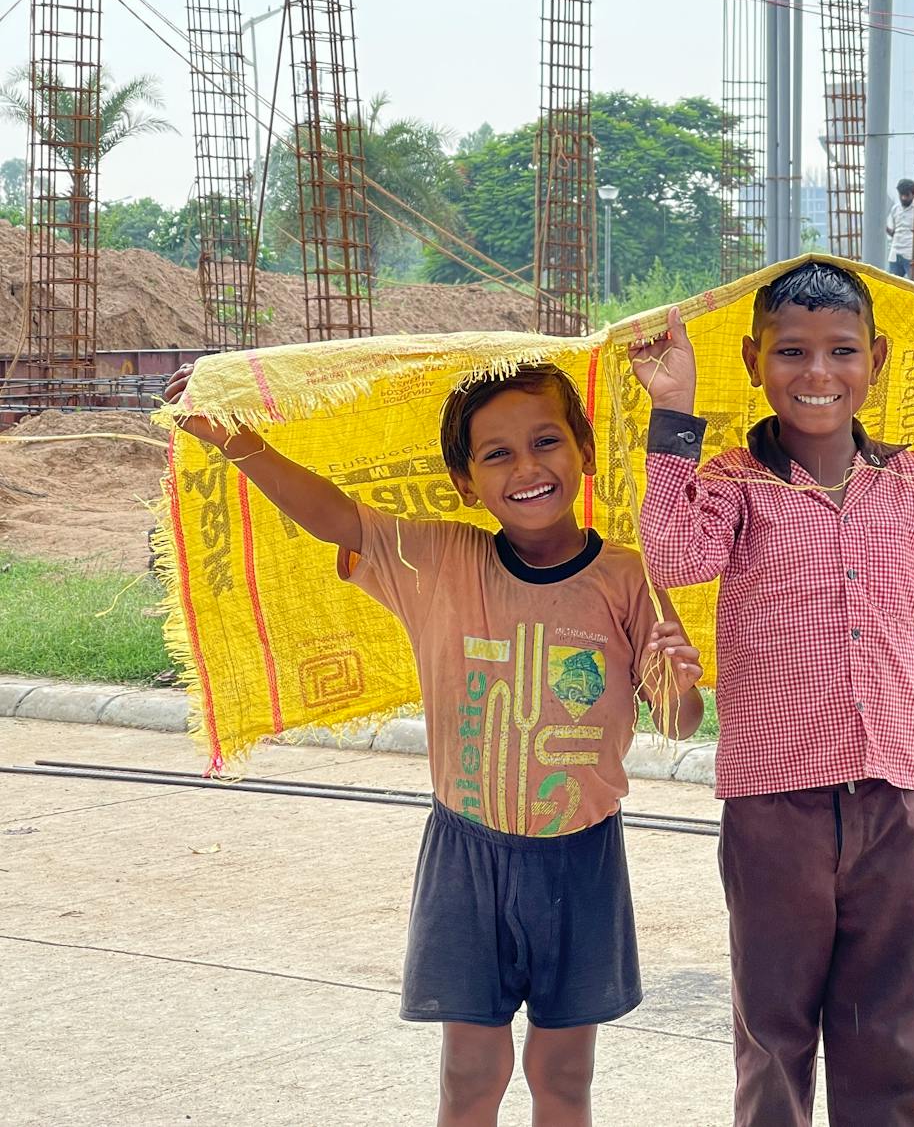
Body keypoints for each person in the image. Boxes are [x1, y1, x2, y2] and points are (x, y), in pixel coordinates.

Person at [162, 360, 705, 1127]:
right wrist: (227, 437)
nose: (526, 467)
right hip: (466, 853)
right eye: (496, 454)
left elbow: (678, 721)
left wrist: (678, 682)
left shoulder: (627, 576)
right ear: (464, 481)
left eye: (546, 441)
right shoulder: (440, 560)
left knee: (565, 1074)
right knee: (471, 1073)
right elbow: (335, 518)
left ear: (583, 450)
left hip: (581, 858)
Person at [626, 261, 914, 1127]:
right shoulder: (731, 485)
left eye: (840, 351)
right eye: (790, 352)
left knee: (896, 1035)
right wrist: (673, 413)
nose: (816, 374)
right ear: (754, 358)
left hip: (892, 802)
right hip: (773, 806)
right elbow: (677, 556)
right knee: (774, 1033)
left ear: (872, 359)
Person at [885, 177, 914, 284]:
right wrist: (884, 228)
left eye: (906, 195)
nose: (903, 198)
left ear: (913, 194)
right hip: (895, 255)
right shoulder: (895, 209)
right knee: (892, 286)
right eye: (901, 195)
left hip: (912, 255)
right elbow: (895, 233)